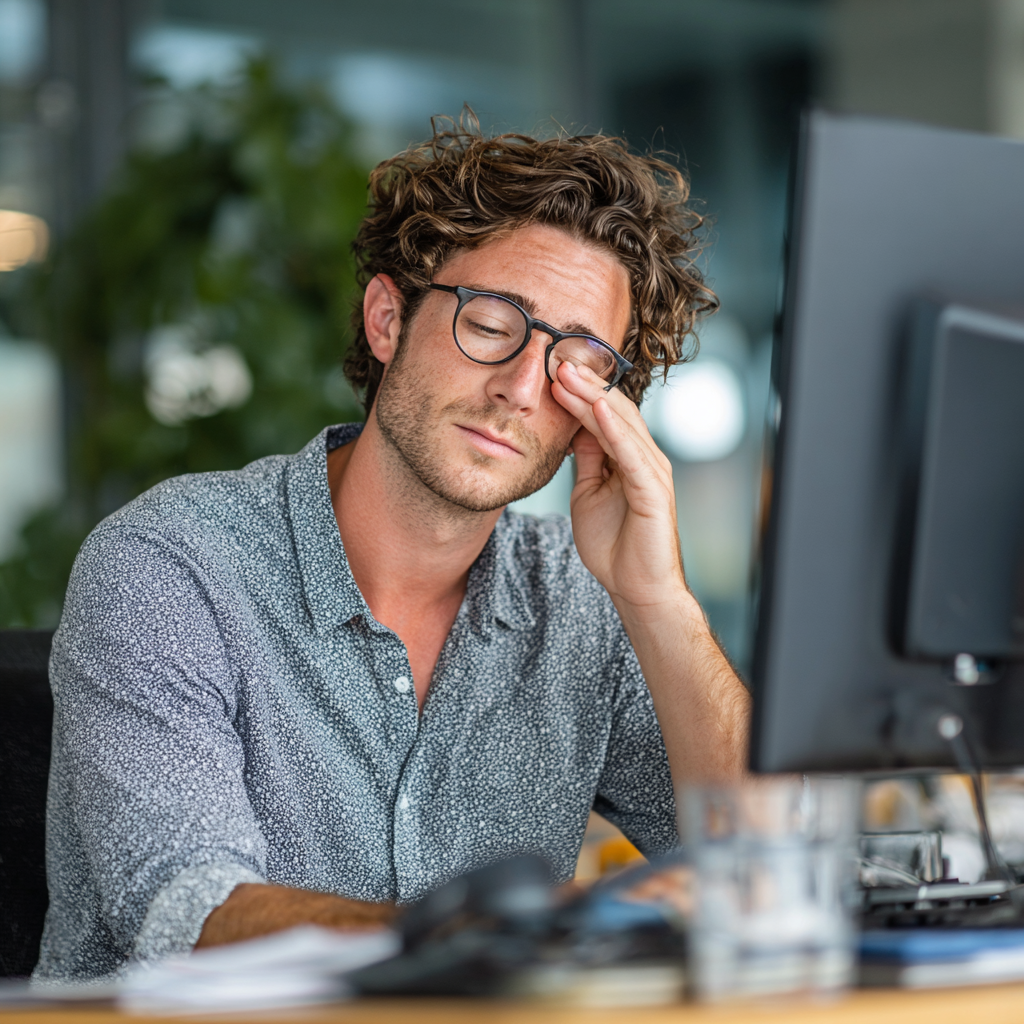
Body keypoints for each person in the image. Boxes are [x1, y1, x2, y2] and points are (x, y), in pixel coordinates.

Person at [36, 119, 750, 982]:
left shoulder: (584, 602)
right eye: (492, 323)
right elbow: (188, 909)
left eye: (576, 363)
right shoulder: (171, 565)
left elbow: (765, 868)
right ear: (387, 319)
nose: (521, 389)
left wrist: (660, 603)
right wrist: (497, 935)